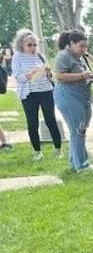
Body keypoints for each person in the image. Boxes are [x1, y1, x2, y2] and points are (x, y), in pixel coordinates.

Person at [11, 29, 62, 161]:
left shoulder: (40, 55)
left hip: (45, 90)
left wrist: (49, 73)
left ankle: (58, 149)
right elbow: (18, 78)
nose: (33, 47)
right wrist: (30, 74)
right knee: (32, 122)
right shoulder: (17, 57)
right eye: (29, 45)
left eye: (34, 44)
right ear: (21, 45)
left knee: (50, 119)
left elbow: (49, 73)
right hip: (29, 93)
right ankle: (37, 151)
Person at [52, 30, 93, 173]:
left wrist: (90, 80)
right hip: (68, 95)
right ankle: (82, 165)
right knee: (79, 130)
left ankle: (74, 162)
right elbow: (59, 76)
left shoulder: (80, 58)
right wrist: (81, 75)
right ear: (71, 44)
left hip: (82, 95)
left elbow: (84, 77)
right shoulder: (63, 56)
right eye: (81, 46)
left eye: (86, 47)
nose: (84, 49)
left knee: (79, 130)